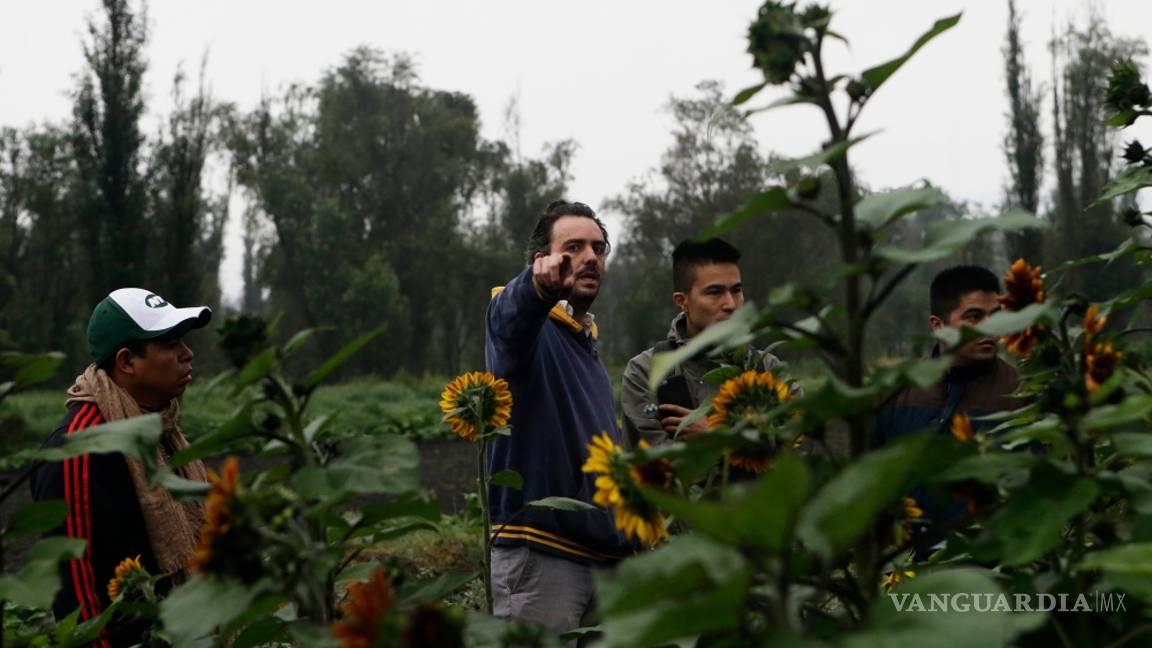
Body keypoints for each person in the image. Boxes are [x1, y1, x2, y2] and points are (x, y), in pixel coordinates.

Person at [485, 200, 634, 637]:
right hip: (542, 554)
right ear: (542, 260)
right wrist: (535, 288)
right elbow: (512, 319)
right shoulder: (521, 324)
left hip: (603, 557)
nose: (590, 257)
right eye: (574, 247)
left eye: (599, 247)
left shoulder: (585, 342)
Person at [30, 288, 212, 647]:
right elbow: (76, 597)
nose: (187, 354)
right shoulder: (80, 447)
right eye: (170, 342)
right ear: (127, 361)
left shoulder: (162, 429)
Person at [874, 265, 1026, 555]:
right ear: (937, 326)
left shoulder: (1020, 394)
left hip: (991, 579)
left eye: (995, 317)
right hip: (905, 580)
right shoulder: (896, 391)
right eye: (974, 316)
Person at [621, 238, 783, 447]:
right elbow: (654, 464)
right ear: (682, 301)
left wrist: (716, 435)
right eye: (715, 292)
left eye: (736, 290)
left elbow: (799, 448)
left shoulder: (767, 368)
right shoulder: (645, 372)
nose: (731, 305)